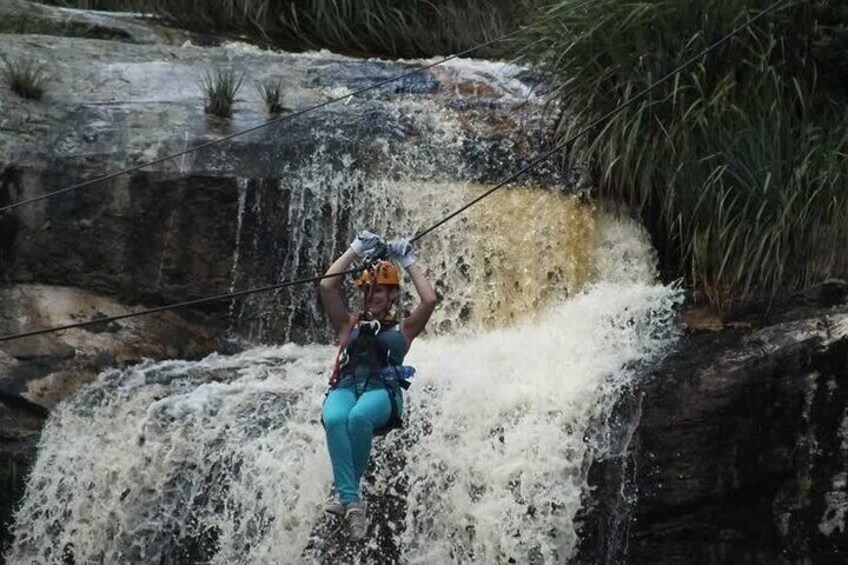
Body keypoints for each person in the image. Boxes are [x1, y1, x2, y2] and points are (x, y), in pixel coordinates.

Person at [318, 231, 437, 540]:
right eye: (369, 294)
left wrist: (408, 261)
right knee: (334, 419)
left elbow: (430, 299)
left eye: (380, 293)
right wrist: (354, 250)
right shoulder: (349, 323)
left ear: (393, 295)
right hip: (345, 386)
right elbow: (327, 285)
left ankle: (346, 497)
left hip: (381, 392)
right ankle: (351, 500)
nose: (373, 298)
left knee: (358, 418)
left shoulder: (404, 329)